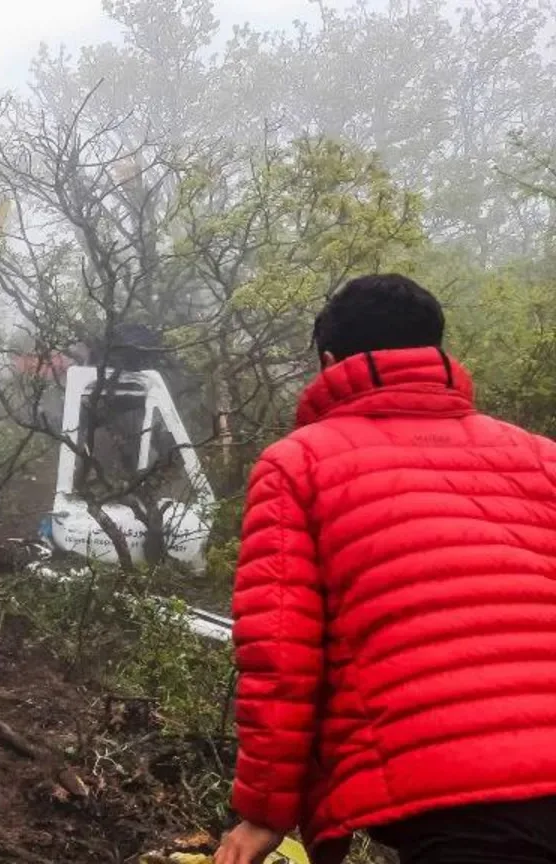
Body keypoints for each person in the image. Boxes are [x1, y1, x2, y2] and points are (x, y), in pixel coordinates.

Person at [215, 274, 556, 864]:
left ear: (329, 362)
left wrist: (264, 811)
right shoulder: (542, 459)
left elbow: (281, 653)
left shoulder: (298, 465)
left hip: (454, 792)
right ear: (434, 350)